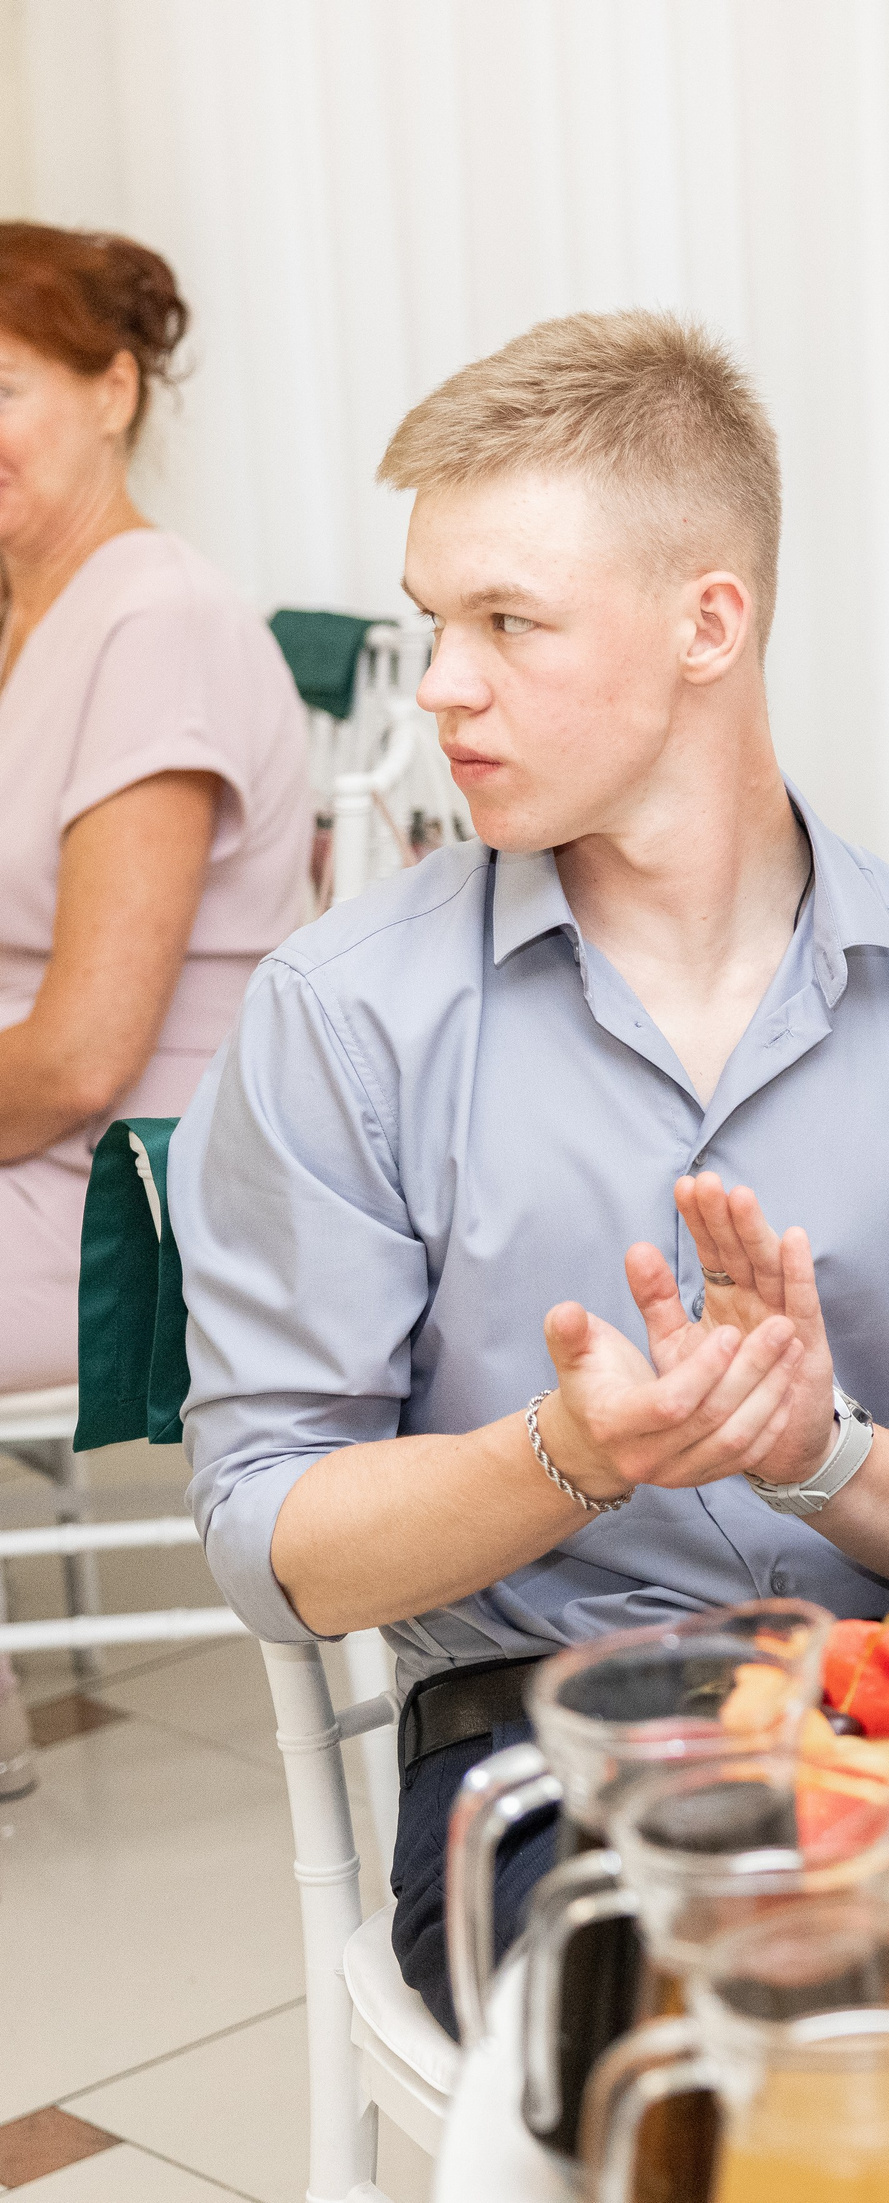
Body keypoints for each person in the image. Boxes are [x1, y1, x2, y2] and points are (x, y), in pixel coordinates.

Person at [173, 311, 889, 2033]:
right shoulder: (344, 1015)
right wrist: (572, 1453)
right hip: (555, 1760)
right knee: (817, 2024)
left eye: (505, 623)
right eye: (431, 623)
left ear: (712, 621)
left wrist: (822, 1451)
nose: (440, 684)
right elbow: (276, 1543)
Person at [0, 225, 306, 1801]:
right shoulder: (32, 614)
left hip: (126, 1190)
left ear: (114, 389)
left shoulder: (151, 622)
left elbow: (81, 1052)